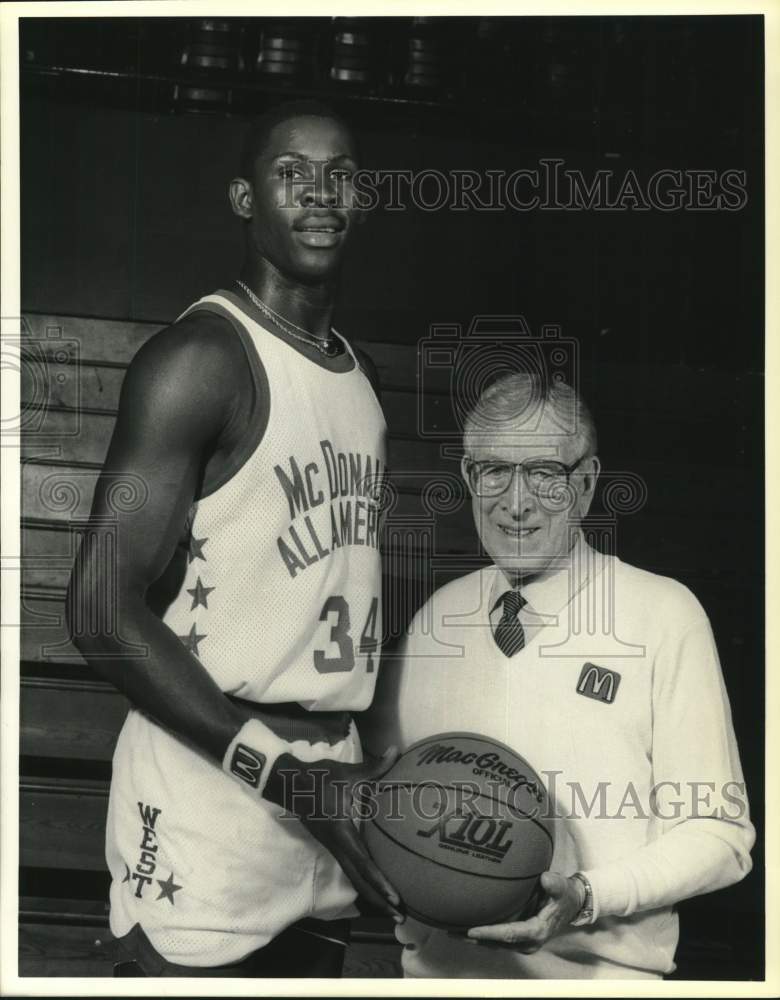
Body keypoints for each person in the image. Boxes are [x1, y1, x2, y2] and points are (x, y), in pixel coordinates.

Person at [66, 100, 402, 978]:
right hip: (210, 801)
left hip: (328, 806)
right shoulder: (200, 360)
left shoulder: (359, 381)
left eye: (342, 175)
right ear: (245, 198)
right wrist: (288, 777)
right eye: (292, 173)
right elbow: (99, 610)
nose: (321, 194)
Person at [365, 371, 755, 979]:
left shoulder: (662, 614)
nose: (516, 502)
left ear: (588, 483)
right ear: (469, 478)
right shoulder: (433, 618)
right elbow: (392, 799)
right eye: (494, 470)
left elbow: (721, 835)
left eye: (546, 474)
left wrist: (585, 893)